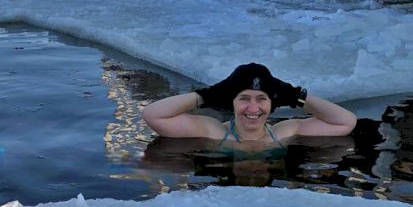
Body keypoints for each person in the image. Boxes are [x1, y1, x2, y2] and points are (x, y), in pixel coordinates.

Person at [140, 63, 357, 151]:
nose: (253, 108)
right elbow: (153, 115)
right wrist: (207, 95)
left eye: (261, 99)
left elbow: (346, 121)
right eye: (244, 98)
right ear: (231, 102)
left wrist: (295, 95)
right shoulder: (215, 132)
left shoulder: (285, 131)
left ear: (272, 104)